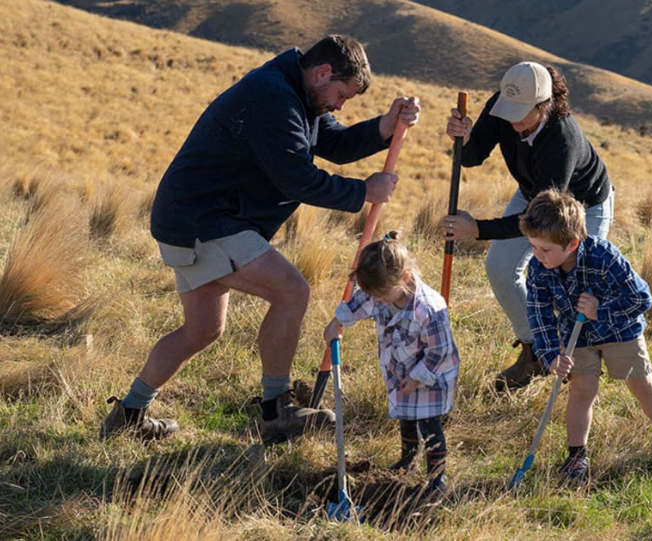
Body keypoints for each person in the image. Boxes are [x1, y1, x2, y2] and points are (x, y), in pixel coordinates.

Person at [100, 35, 421, 445]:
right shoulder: (273, 99)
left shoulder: (298, 91)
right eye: (341, 95)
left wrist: (384, 127)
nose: (340, 105)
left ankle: (129, 414)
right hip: (205, 220)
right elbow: (297, 179)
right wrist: (363, 192)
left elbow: (334, 144)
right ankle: (276, 411)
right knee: (292, 291)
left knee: (202, 330)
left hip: (194, 217)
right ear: (323, 73)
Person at [439, 61, 613, 392]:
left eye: (522, 112)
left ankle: (584, 367)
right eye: (509, 109)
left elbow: (538, 221)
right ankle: (536, 352)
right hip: (534, 192)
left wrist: (477, 229)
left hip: (584, 204)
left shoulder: (561, 140)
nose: (513, 119)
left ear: (545, 105)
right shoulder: (503, 105)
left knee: (575, 283)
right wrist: (460, 137)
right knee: (500, 266)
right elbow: (472, 156)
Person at [521, 190, 652, 484]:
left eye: (544, 250)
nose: (537, 255)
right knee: (582, 389)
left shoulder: (603, 256)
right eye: (533, 247)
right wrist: (551, 354)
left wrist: (600, 311)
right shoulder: (538, 269)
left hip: (619, 328)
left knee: (641, 382)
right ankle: (576, 455)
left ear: (572, 243)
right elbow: (539, 314)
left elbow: (641, 298)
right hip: (575, 335)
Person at [324, 232, 460, 495]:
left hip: (432, 374)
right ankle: (407, 461)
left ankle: (437, 479)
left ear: (405, 278)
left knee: (429, 424)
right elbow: (359, 303)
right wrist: (337, 322)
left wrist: (419, 376)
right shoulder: (380, 292)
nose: (379, 299)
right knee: (406, 416)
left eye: (382, 294)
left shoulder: (428, 309)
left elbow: (440, 350)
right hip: (401, 368)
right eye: (374, 293)